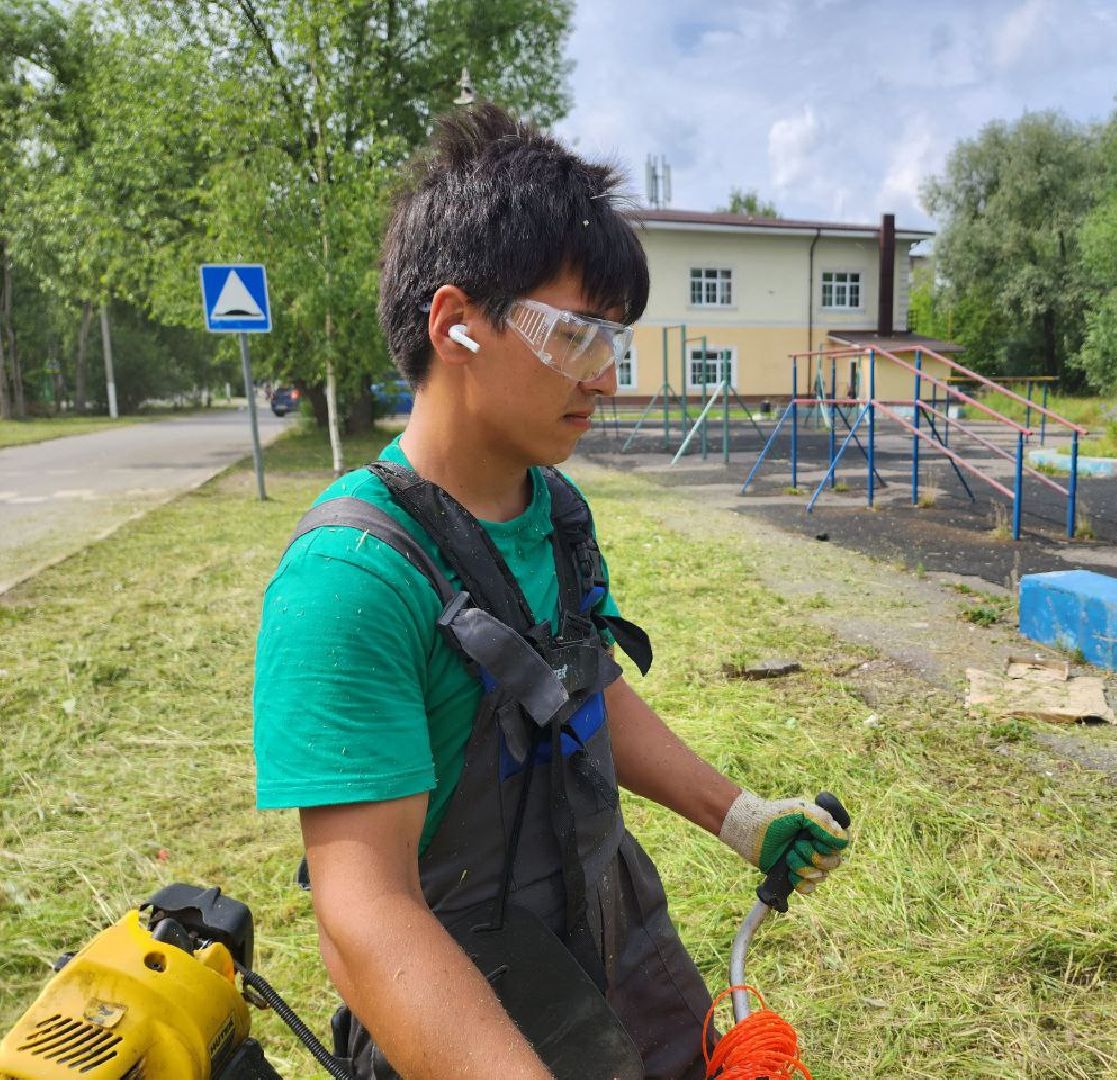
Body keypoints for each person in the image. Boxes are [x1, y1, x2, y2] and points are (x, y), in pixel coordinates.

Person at [251, 103, 849, 1080]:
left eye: (612, 339)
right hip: (459, 1006)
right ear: (455, 326)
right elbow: (366, 918)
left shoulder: (556, 511)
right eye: (576, 334)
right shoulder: (349, 584)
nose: (605, 377)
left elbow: (577, 690)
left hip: (616, 933)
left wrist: (739, 816)